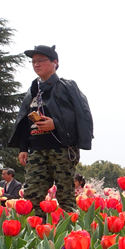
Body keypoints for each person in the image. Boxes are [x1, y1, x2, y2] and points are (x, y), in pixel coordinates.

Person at [7, 45, 93, 215]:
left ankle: (70, 239)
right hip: (36, 150)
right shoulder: (32, 90)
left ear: (55, 63)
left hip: (61, 149)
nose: (36, 64)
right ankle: (38, 235)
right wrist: (23, 148)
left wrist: (56, 124)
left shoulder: (67, 87)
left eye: (40, 60)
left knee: (65, 196)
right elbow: (24, 121)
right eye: (33, 61)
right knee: (31, 197)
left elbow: (82, 116)